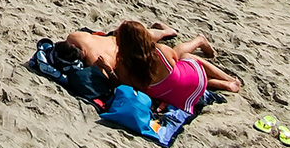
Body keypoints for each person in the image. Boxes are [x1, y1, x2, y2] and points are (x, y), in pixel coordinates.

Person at [63, 22, 240, 114]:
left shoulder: (124, 67)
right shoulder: (160, 51)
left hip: (177, 99)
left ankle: (223, 84)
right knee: (185, 59)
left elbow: (119, 84)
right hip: (195, 82)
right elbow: (175, 61)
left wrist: (108, 69)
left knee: (170, 80)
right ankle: (228, 79)